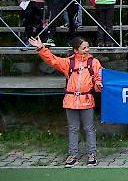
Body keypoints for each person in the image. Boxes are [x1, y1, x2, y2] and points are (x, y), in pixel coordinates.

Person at [28, 35, 102, 167]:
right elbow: (52, 60)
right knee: (73, 129)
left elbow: (99, 76)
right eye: (84, 48)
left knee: (89, 128)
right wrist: (41, 48)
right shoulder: (68, 62)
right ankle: (73, 155)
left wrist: (98, 85)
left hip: (87, 100)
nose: (87, 50)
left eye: (87, 47)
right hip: (70, 100)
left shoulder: (94, 62)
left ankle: (92, 154)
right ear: (76, 50)